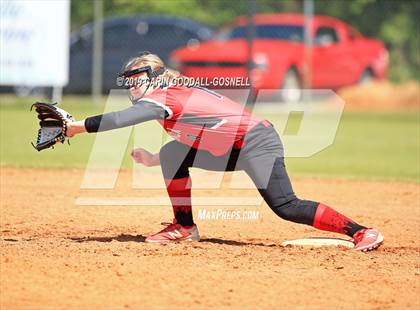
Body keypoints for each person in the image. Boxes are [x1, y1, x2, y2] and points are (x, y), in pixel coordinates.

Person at [66, 52, 384, 251]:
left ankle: (361, 232)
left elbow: (121, 119)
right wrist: (154, 159)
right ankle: (184, 226)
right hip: (234, 147)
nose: (132, 87)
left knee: (286, 206)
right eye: (129, 82)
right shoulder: (168, 96)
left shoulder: (164, 97)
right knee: (173, 153)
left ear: (155, 79)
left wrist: (76, 127)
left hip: (257, 142)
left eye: (137, 80)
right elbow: (200, 134)